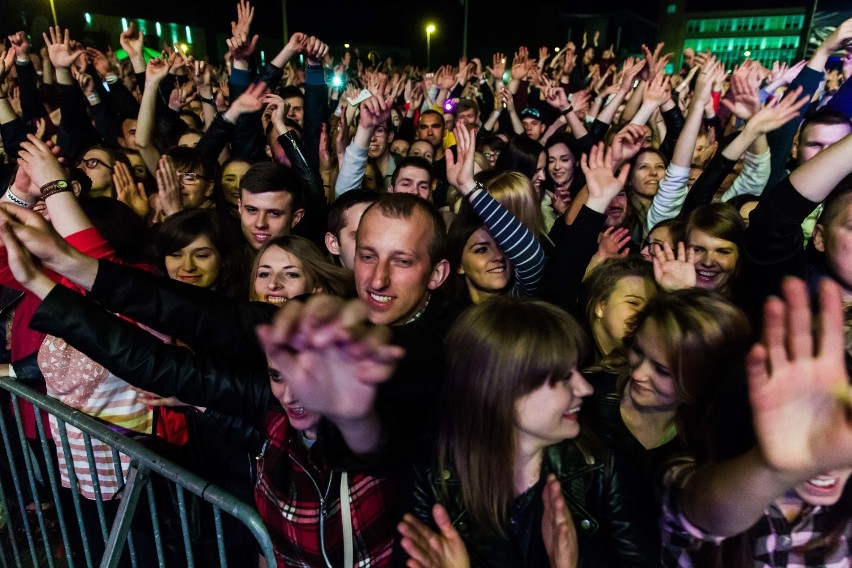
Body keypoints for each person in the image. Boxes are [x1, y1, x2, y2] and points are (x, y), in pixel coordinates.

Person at [397, 297, 658, 567]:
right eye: (564, 377)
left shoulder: (602, 461)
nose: (585, 388)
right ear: (503, 391)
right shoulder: (434, 474)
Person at [660, 277, 852, 568]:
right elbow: (710, 514)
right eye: (808, 423)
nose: (828, 460)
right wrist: (774, 467)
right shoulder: (684, 474)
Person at [238, 161, 305, 250]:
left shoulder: (311, 262)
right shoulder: (226, 259)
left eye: (274, 213)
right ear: (240, 207)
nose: (260, 224)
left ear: (295, 218)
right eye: (252, 210)